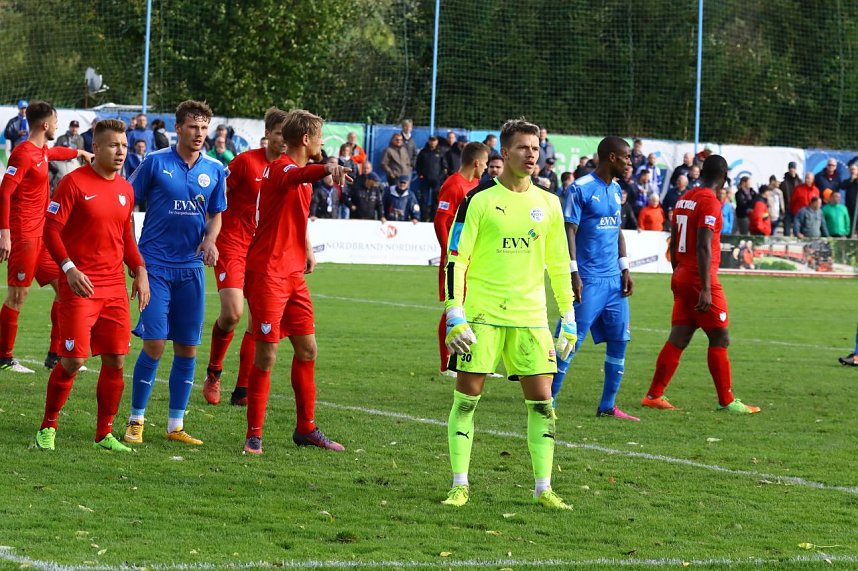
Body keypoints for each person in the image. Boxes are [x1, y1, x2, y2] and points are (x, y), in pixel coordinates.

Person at [440, 118, 574, 510]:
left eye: (535, 148)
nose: (531, 154)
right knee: (466, 400)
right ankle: (460, 484)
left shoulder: (549, 203)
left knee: (543, 404)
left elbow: (560, 264)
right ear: (505, 152)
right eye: (522, 148)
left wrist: (568, 315)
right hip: (481, 317)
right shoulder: (478, 200)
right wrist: (454, 313)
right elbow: (455, 259)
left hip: (531, 318)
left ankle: (543, 487)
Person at [34, 119, 150, 452]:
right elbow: (51, 230)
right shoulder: (73, 183)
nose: (121, 152)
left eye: (124, 146)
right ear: (96, 148)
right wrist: (68, 269)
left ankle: (104, 434)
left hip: (114, 287)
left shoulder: (126, 189)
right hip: (80, 286)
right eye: (114, 145)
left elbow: (126, 237)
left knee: (115, 359)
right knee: (72, 360)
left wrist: (139, 269)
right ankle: (48, 427)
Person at [241, 109, 350, 455]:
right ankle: (254, 435)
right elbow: (299, 175)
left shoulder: (297, 174)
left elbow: (295, 211)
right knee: (267, 354)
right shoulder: (281, 168)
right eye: (319, 137)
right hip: (268, 274)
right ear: (306, 139)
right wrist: (327, 169)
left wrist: (305, 250)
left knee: (308, 349)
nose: (322, 143)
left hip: (292, 274)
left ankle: (306, 429)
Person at [122, 100, 227, 446]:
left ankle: (175, 426)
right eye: (193, 127)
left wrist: (211, 240)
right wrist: (134, 259)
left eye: (204, 128)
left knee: (187, 348)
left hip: (191, 269)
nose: (199, 134)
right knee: (153, 344)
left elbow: (216, 214)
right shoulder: (155, 162)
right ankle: (136, 420)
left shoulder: (214, 169)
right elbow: (126, 203)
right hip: (154, 266)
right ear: (178, 128)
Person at [642, 155, 760, 414]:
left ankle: (654, 395)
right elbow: (704, 244)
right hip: (699, 276)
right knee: (720, 336)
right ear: (724, 175)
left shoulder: (685, 197)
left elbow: (673, 239)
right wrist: (705, 287)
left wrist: (677, 273)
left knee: (680, 336)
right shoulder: (710, 202)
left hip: (683, 273)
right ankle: (727, 401)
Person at [202, 107, 288, 408]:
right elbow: (218, 197)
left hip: (265, 252)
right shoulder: (245, 162)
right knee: (233, 314)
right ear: (267, 135)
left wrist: (304, 244)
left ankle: (242, 389)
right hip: (233, 245)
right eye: (279, 134)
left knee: (258, 320)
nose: (284, 140)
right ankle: (214, 371)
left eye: (288, 135)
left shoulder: (290, 170)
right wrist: (208, 235)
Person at [0, 101, 93, 373]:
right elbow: (4, 192)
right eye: (54, 122)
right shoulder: (23, 153)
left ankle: (55, 354)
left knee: (64, 287)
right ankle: (4, 358)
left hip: (42, 236)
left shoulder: (40, 151)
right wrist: (4, 233)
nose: (57, 126)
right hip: (24, 235)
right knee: (18, 295)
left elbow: (55, 153)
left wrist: (80, 152)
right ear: (44, 125)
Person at [551, 136, 637, 421]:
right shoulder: (580, 188)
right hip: (587, 280)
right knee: (567, 341)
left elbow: (617, 230)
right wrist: (573, 272)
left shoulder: (615, 190)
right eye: (627, 157)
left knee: (619, 341)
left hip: (614, 280)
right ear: (612, 157)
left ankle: (608, 406)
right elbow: (569, 231)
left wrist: (625, 267)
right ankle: (545, 402)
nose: (630, 163)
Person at [432, 142, 489, 374]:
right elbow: (440, 221)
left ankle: (473, 361)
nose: (485, 168)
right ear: (476, 162)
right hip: (457, 258)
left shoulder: (475, 185)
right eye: (485, 163)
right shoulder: (454, 184)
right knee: (453, 308)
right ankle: (447, 364)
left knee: (473, 307)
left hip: (474, 257)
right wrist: (448, 252)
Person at [415, 136, 444, 221]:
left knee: (436, 200)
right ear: (428, 141)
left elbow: (444, 167)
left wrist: (440, 177)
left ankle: (433, 219)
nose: (432, 143)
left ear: (437, 142)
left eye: (434, 141)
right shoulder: (423, 152)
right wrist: (420, 174)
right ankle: (423, 219)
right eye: (431, 141)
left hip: (436, 180)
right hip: (425, 179)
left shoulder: (440, 152)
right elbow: (418, 165)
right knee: (424, 199)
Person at [781, 161, 801, 235]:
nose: (792, 170)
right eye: (790, 168)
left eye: (793, 168)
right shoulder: (784, 183)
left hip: (797, 210)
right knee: (787, 231)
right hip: (787, 210)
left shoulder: (799, 182)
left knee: (797, 230)